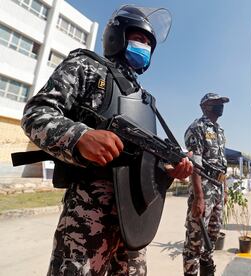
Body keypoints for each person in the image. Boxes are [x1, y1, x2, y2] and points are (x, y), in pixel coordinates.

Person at [20, 5, 194, 275]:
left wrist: (167, 171)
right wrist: (80, 136)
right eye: (140, 38)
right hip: (87, 219)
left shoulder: (146, 99)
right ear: (118, 36)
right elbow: (36, 114)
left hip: (133, 221)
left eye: (149, 43)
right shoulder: (86, 66)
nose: (145, 46)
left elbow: (145, 160)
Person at [183, 93, 229, 276]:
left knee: (212, 236)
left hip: (218, 189)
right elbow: (194, 164)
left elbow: (222, 165)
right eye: (216, 102)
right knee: (195, 241)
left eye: (221, 103)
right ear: (204, 106)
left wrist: (224, 190)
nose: (220, 105)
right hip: (203, 189)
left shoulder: (220, 131)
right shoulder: (197, 127)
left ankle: (207, 271)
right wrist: (199, 197)